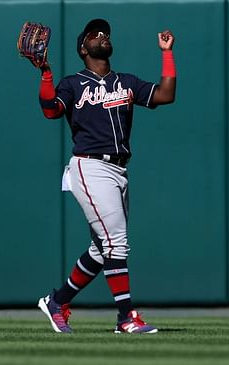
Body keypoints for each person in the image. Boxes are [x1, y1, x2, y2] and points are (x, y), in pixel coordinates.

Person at [36, 18, 176, 334]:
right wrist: (46, 72)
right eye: (94, 34)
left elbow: (166, 94)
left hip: (118, 169)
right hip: (89, 166)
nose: (102, 36)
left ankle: (57, 302)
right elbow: (50, 110)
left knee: (102, 250)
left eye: (106, 33)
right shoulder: (73, 83)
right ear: (83, 48)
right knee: (117, 242)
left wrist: (167, 53)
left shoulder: (126, 82)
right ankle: (126, 317)